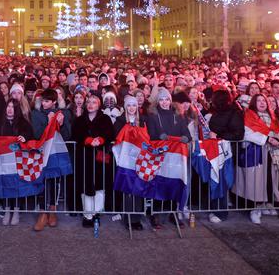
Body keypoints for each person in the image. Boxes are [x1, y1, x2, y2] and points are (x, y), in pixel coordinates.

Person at [235, 94, 279, 224]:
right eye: (258, 101)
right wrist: (267, 139)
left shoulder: (272, 116)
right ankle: (254, 209)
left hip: (271, 151)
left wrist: (277, 139)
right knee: (256, 180)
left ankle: (265, 203)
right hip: (256, 152)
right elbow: (246, 132)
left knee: (269, 178)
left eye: (264, 100)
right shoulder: (248, 115)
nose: (262, 103)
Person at [147, 87, 192, 228]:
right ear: (157, 101)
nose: (165, 102)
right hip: (160, 156)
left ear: (170, 100)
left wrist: (185, 138)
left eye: (167, 99)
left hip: (175, 158)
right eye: (161, 99)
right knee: (158, 184)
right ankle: (155, 214)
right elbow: (150, 135)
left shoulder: (178, 115)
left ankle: (173, 213)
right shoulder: (152, 116)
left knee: (173, 184)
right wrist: (159, 137)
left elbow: (187, 135)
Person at [0, 99, 34, 226]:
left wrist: (24, 137)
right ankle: (7, 210)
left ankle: (17, 211)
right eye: (8, 106)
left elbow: (29, 133)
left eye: (13, 107)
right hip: (3, 161)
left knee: (17, 185)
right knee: (6, 185)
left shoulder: (22, 122)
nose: (10, 109)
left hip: (18, 160)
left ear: (17, 109)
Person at [30, 88, 70, 231]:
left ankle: (53, 210)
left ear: (54, 102)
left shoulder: (63, 113)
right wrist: (48, 123)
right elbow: (37, 133)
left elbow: (67, 135)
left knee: (54, 182)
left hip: (56, 153)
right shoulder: (35, 114)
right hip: (41, 152)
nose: (44, 104)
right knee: (41, 180)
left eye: (47, 101)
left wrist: (62, 123)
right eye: (43, 101)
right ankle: (42, 212)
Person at [72, 95, 115, 227]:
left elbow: (110, 133)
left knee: (99, 185)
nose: (90, 104)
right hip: (84, 157)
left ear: (99, 105)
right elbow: (75, 134)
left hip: (99, 157)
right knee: (85, 185)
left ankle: (96, 213)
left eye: (94, 102)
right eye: (89, 102)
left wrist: (101, 139)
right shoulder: (79, 120)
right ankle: (87, 214)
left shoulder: (105, 119)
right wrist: (87, 140)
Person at [203, 89, 244, 223]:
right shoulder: (219, 112)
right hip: (215, 151)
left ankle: (221, 212)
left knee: (221, 182)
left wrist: (219, 136)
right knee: (216, 181)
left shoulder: (234, 113)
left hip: (226, 153)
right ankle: (215, 208)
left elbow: (238, 134)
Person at [114, 95, 147, 230]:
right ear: (125, 107)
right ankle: (128, 217)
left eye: (134, 105)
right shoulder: (120, 121)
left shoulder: (143, 121)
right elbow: (116, 138)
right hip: (125, 160)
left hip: (139, 159)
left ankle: (137, 218)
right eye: (129, 105)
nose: (131, 108)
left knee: (138, 188)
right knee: (128, 189)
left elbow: (146, 138)